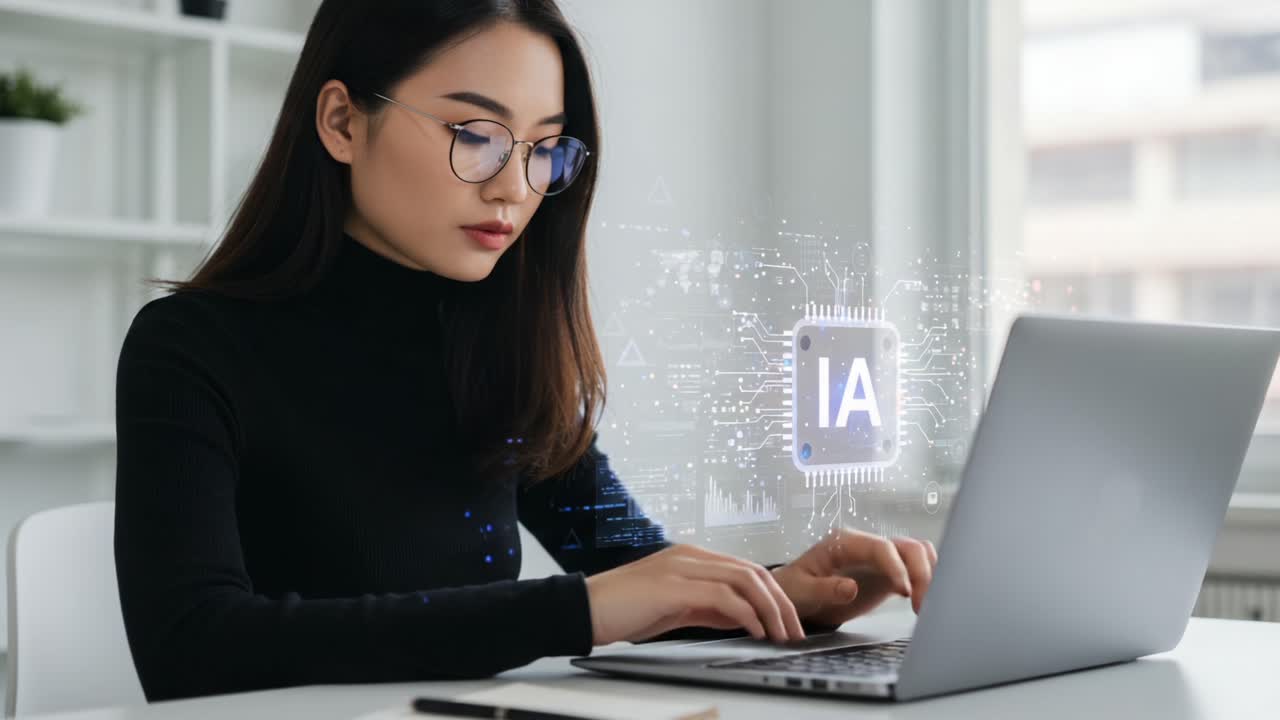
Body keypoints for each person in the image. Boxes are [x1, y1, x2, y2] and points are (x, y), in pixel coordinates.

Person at [113, 0, 938, 703]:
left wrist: (789, 588)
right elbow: (191, 647)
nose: (515, 186)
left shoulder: (500, 344)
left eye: (545, 148)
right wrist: (577, 611)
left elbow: (633, 573)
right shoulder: (191, 348)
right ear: (341, 121)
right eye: (476, 133)